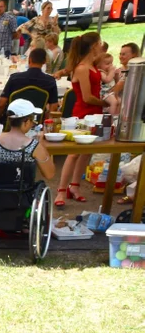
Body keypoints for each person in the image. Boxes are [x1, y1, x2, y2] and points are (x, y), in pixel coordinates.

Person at [57, 32, 105, 207]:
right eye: (99, 43)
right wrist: (104, 101)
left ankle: (74, 186)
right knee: (74, 153)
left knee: (86, 153)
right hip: (84, 112)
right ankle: (61, 190)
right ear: (93, 46)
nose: (101, 46)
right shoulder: (83, 68)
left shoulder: (92, 66)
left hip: (95, 112)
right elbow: (86, 97)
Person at [0, 98, 56, 184]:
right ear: (26, 122)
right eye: (32, 120)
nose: (33, 124)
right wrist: (42, 145)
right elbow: (50, 174)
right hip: (24, 195)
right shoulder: (33, 146)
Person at [0, 47, 60, 121]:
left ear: (29, 60)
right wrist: (46, 121)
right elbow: (54, 107)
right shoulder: (50, 81)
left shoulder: (15, 78)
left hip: (14, 121)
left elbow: (1, 104)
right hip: (37, 121)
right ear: (44, 62)